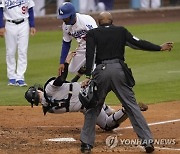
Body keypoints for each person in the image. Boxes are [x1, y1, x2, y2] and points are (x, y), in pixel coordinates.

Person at [80, 11, 173, 153]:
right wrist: (159, 47)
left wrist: (88, 75)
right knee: (131, 106)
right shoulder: (121, 31)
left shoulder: (93, 33)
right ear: (112, 21)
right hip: (119, 70)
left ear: (98, 22)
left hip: (101, 72)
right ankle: (147, 141)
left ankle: (86, 145)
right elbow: (138, 43)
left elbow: (90, 54)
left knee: (93, 107)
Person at [0, 0, 36, 86]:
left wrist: (32, 25)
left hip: (24, 24)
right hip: (10, 24)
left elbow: (30, 9)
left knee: (22, 51)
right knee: (10, 51)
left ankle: (20, 77)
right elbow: (0, 11)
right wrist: (1, 26)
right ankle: (12, 76)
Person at [57, 2, 97, 76]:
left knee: (94, 70)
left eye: (66, 17)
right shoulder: (65, 26)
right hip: (82, 47)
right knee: (72, 69)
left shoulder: (85, 20)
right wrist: (62, 62)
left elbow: (98, 36)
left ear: (72, 15)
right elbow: (66, 43)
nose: (64, 20)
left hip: (95, 46)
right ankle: (85, 66)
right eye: (63, 18)